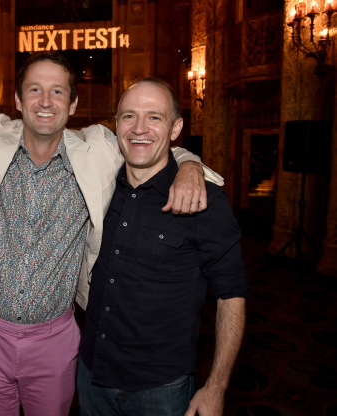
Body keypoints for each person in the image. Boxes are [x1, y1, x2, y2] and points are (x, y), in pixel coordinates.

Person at [0, 52, 223, 416]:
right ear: (17, 100)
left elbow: (153, 145)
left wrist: (189, 165)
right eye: (34, 90)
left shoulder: (98, 148)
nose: (46, 102)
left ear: (74, 103)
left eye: (58, 92)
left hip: (56, 340)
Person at [76, 78, 248, 416]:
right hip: (91, 375)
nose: (139, 128)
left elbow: (232, 295)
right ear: (116, 124)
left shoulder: (205, 201)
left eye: (154, 117)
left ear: (175, 128)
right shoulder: (98, 186)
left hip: (160, 391)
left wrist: (216, 386)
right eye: (129, 116)